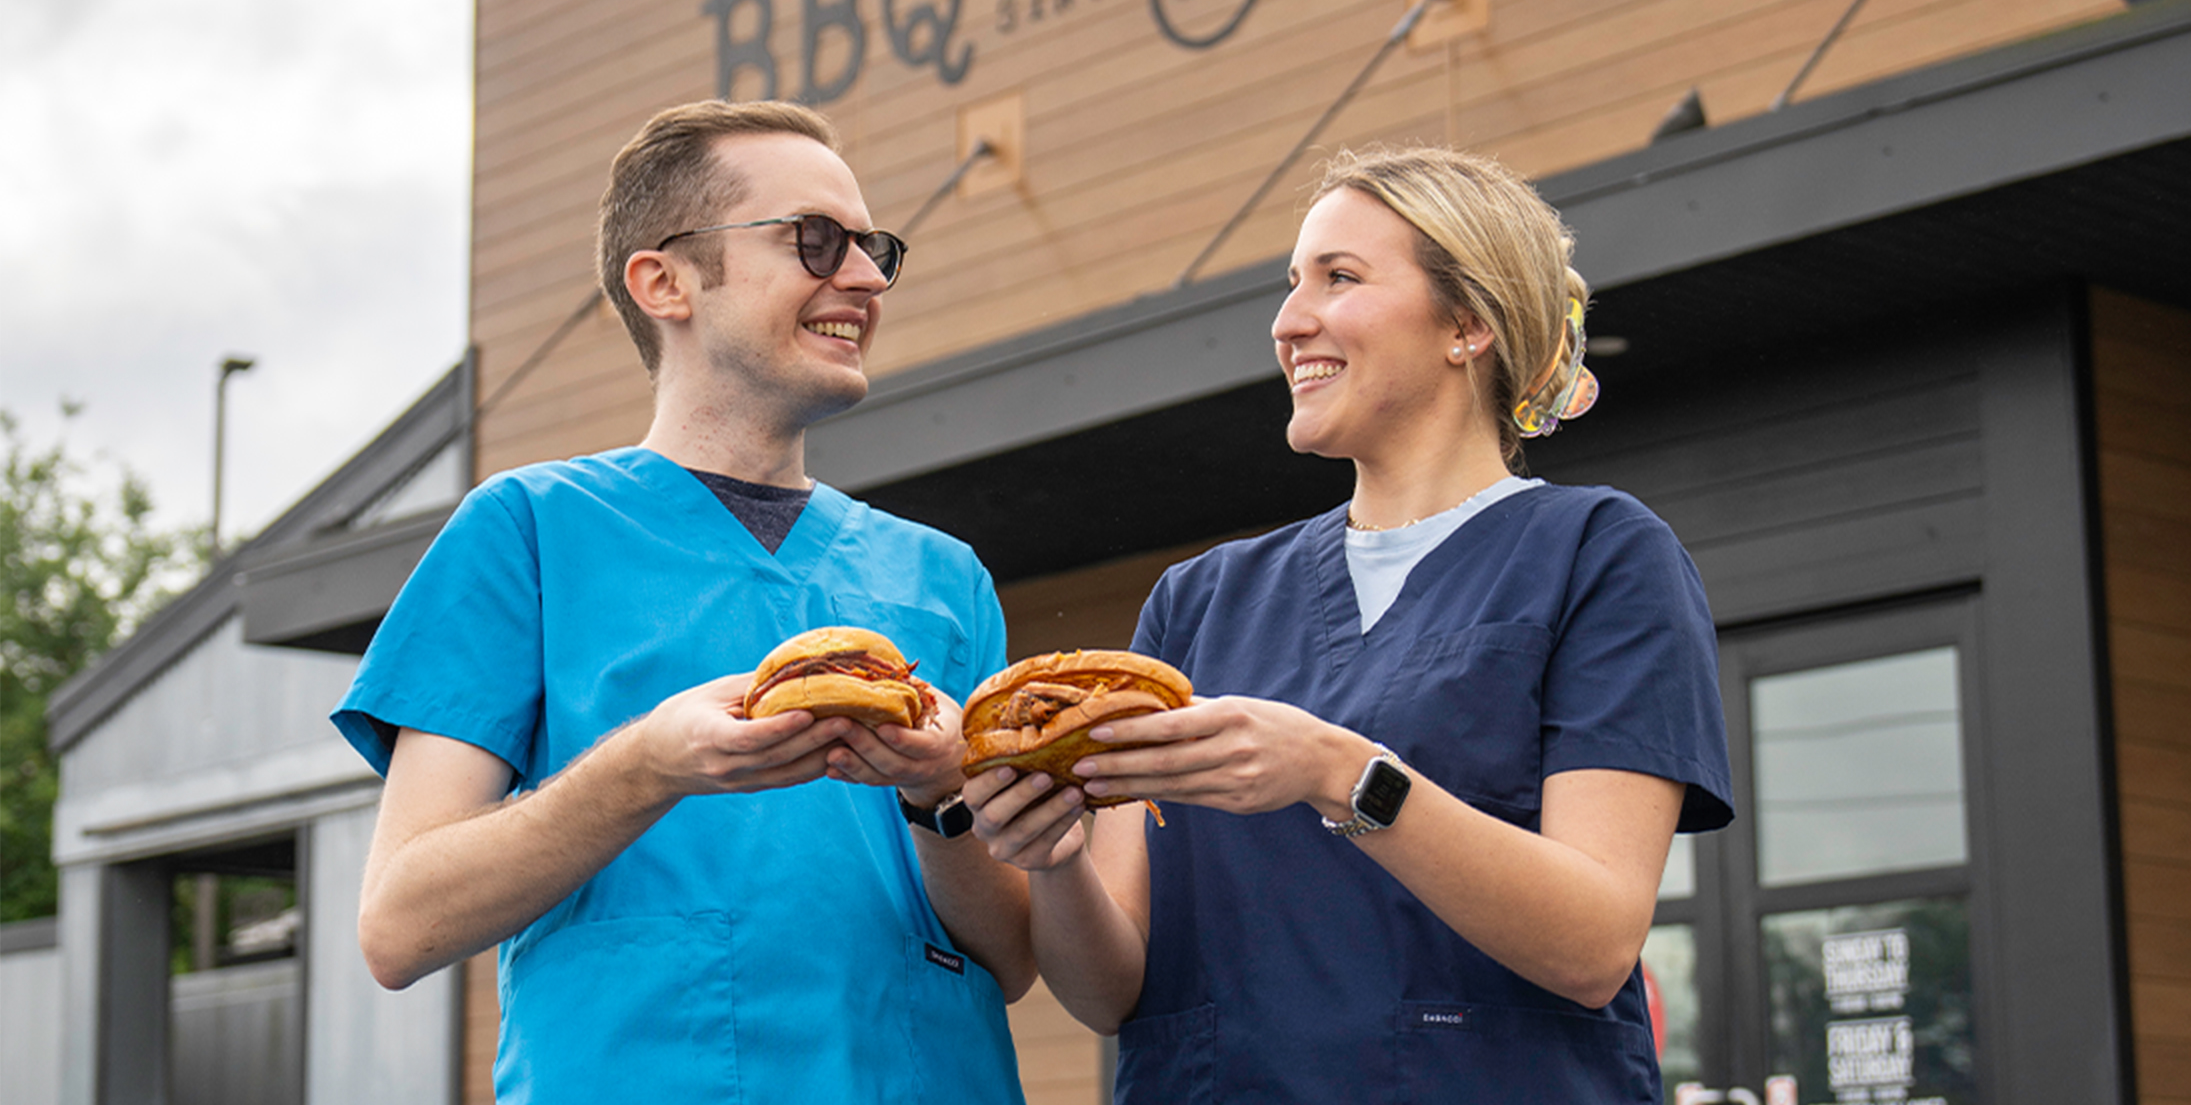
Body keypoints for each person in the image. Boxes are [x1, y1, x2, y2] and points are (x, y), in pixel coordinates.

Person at [967, 144, 1733, 1103]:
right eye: (1292, 285)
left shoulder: (1600, 555)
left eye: (1340, 278)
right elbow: (1109, 993)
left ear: (1467, 324)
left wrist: (1338, 775)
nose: (1290, 323)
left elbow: (1593, 945)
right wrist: (1058, 860)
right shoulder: (1199, 603)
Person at [334, 101, 1033, 1104]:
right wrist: (647, 767)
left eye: (874, 248)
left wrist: (938, 800)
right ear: (664, 281)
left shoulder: (943, 578)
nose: (867, 279)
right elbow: (400, 926)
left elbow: (1010, 957)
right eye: (816, 241)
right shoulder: (528, 532)